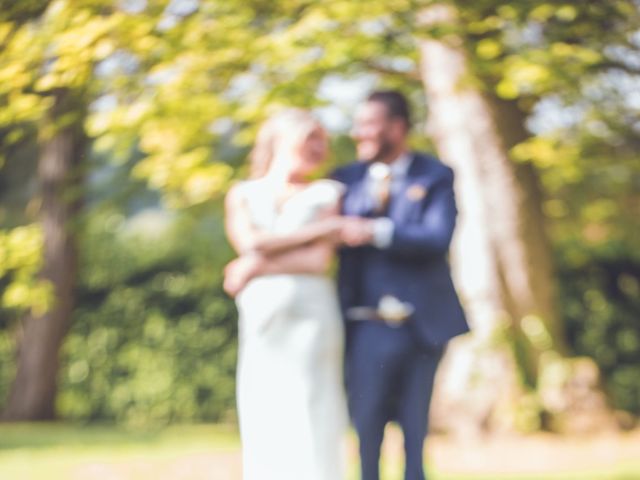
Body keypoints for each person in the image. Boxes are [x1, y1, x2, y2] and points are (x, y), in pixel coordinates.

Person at [332, 90, 469, 480]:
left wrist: (374, 230)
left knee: (415, 432)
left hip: (421, 325)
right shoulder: (345, 180)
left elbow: (436, 238)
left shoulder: (435, 175)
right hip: (365, 325)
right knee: (367, 430)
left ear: (397, 127)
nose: (359, 133)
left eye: (369, 124)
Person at [223, 109, 348, 480]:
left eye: (322, 141)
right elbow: (249, 241)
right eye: (309, 139)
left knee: (312, 402)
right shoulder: (243, 193)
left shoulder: (328, 192)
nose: (317, 148)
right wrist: (323, 228)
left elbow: (318, 261)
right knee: (263, 402)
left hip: (312, 314)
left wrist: (256, 265)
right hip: (262, 314)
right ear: (281, 140)